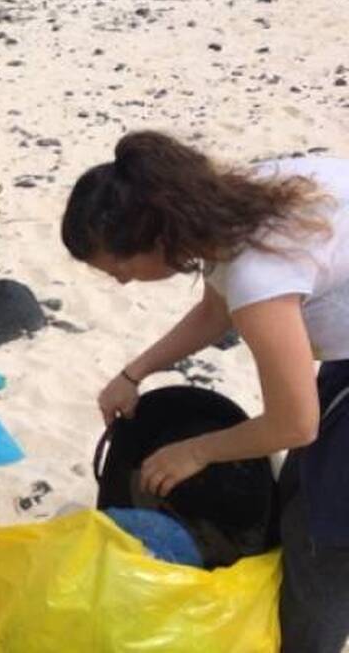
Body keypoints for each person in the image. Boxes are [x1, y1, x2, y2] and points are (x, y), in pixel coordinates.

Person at [61, 131, 349, 652]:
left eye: (119, 268)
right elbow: (215, 311)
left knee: (324, 542)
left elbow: (295, 423)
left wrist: (195, 451)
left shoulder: (259, 272)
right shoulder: (230, 204)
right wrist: (134, 373)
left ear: (156, 240)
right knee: (299, 494)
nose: (122, 283)